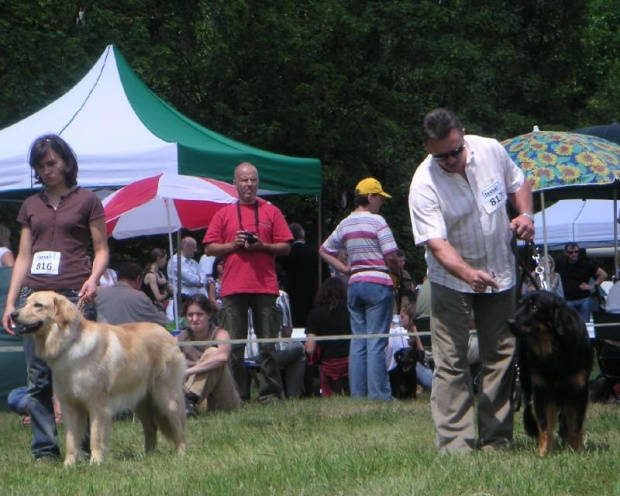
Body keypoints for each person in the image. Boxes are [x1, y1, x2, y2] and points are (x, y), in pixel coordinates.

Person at [408, 108, 534, 454]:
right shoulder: (423, 184)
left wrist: (524, 214)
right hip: (450, 281)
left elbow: (519, 182)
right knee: (451, 361)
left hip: (501, 273)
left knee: (501, 356)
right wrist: (467, 273)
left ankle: (497, 440)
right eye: (440, 155)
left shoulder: (490, 149)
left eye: (455, 150)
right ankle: (456, 446)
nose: (449, 159)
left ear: (463, 134)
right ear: (427, 147)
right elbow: (436, 244)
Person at [2, 134, 109, 462]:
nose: (46, 170)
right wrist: (10, 303)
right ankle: (45, 451)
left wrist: (93, 279)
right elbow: (22, 256)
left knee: (83, 376)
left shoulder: (88, 200)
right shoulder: (30, 205)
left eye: (51, 163)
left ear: (66, 162)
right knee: (38, 379)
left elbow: (102, 249)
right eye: (40, 165)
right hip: (34, 299)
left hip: (75, 297)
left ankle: (90, 449)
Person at [204, 162, 293, 403]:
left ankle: (270, 394)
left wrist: (262, 245)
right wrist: (233, 244)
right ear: (235, 184)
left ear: (258, 183)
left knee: (268, 344)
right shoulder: (223, 214)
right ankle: (236, 395)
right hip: (233, 287)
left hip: (265, 286)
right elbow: (210, 247)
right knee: (233, 345)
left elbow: (286, 247)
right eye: (244, 180)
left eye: (253, 180)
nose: (249, 184)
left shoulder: (271, 212)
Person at [320, 177, 400, 401]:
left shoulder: (345, 223)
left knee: (358, 341)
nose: (381, 203)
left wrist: (345, 269)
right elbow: (391, 255)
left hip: (355, 284)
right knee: (376, 341)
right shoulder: (377, 222)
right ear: (371, 197)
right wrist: (396, 272)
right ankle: (379, 396)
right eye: (380, 198)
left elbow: (324, 250)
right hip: (377, 283)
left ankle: (358, 395)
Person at [177, 295, 242, 415]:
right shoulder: (179, 338)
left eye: (199, 314)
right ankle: (188, 404)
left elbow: (222, 357)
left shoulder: (220, 334)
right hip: (197, 399)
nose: (194, 319)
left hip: (223, 398)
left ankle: (188, 401)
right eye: (190, 315)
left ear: (209, 315)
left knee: (213, 353)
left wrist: (190, 371)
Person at [305, 278, 351, 397]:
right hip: (351, 362)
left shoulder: (314, 314)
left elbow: (310, 348)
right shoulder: (351, 310)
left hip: (328, 365)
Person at [277, 222, 329, 327]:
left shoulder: (283, 255)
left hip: (291, 298)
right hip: (313, 297)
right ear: (303, 236)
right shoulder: (315, 254)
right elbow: (326, 276)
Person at [96, 261, 169, 326]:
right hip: (130, 339)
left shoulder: (99, 295)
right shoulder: (140, 297)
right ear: (138, 279)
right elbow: (162, 321)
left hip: (105, 339)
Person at [555, 242, 607, 323]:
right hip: (567, 300)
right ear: (566, 253)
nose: (574, 254)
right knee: (568, 323)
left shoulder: (585, 264)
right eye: (571, 252)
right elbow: (548, 270)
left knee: (584, 322)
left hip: (584, 299)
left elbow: (603, 274)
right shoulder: (560, 263)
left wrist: (592, 286)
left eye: (576, 252)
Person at [168, 237, 207, 301]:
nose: (196, 250)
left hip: (197, 299)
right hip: (183, 299)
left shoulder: (194, 262)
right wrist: (198, 280)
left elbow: (203, 277)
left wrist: (200, 281)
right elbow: (191, 279)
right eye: (194, 247)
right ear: (186, 247)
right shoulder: (175, 261)